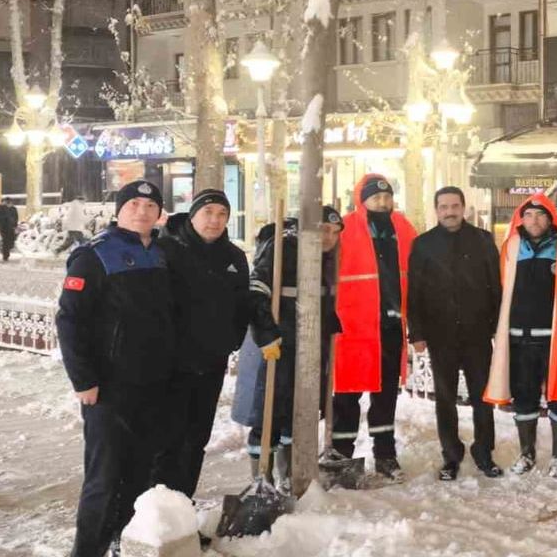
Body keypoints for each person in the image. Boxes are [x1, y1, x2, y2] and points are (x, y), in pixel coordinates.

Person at [55, 180, 174, 557]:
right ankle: (87, 550)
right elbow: (70, 320)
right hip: (108, 387)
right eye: (134, 203)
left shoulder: (160, 254)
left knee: (139, 474)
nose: (142, 210)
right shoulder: (93, 256)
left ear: (159, 213)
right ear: (119, 209)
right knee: (103, 479)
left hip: (152, 385)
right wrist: (84, 379)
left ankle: (123, 545)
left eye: (150, 205)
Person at [232, 206, 344, 489]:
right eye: (324, 230)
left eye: (335, 232)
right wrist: (266, 334)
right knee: (269, 411)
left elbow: (322, 297)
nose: (329, 237)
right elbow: (257, 291)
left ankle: (288, 473)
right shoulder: (284, 245)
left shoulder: (326, 256)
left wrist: (331, 324)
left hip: (307, 343)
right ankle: (262, 478)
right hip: (279, 341)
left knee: (297, 410)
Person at [153, 189, 256, 498]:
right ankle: (154, 513)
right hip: (171, 363)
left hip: (211, 362)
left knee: (195, 440)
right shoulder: (166, 249)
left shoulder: (234, 257)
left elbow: (241, 304)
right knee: (164, 440)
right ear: (193, 214)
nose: (215, 220)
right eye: (208, 213)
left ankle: (182, 507)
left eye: (222, 214)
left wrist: (229, 341)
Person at [408, 186, 503, 480]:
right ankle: (451, 455)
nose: (449, 211)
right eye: (443, 206)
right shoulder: (423, 244)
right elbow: (415, 292)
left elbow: (495, 287)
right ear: (436, 210)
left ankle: (484, 451)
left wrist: (497, 328)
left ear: (464, 208)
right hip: (440, 335)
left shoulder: (483, 240)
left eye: (454, 206)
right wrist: (417, 333)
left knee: (481, 397)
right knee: (445, 398)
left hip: (477, 334)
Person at [483, 196, 557, 478]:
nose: (535, 220)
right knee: (524, 398)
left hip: (555, 340)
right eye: (529, 215)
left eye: (541, 215)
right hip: (518, 339)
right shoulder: (510, 248)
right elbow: (499, 291)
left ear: (550, 219)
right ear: (521, 219)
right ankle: (527, 454)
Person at [333, 174, 418, 481]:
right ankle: (340, 454)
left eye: (386, 197)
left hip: (391, 325)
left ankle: (385, 455)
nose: (382, 203)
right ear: (362, 200)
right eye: (375, 198)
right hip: (353, 328)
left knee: (385, 396)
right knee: (347, 395)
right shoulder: (346, 227)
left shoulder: (403, 228)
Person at [0, 197, 19, 262]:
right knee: (6, 241)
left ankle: (6, 252)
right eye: (7, 202)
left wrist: (15, 226)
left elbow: (16, 217)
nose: (8, 203)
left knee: (10, 241)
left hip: (11, 227)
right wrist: (1, 205)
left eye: (9, 202)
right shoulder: (1, 208)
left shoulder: (13, 209)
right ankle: (5, 255)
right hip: (3, 228)